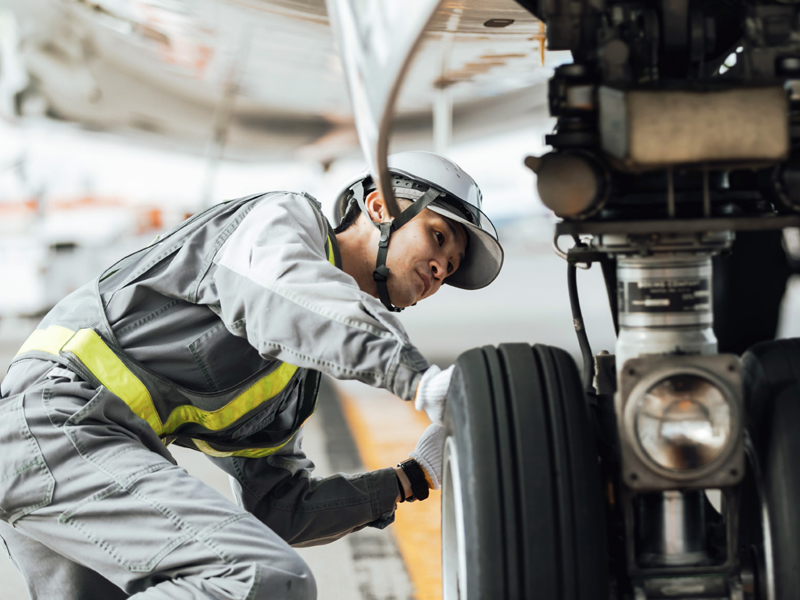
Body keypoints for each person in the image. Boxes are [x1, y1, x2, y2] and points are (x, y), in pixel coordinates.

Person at [0, 151, 504, 599]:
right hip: (57, 418)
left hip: (80, 450)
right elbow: (288, 297)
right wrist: (415, 378)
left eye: (451, 265)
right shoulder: (281, 224)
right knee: (261, 578)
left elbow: (282, 509)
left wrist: (410, 477)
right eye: (437, 238)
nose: (440, 268)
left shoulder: (287, 383)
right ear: (380, 207)